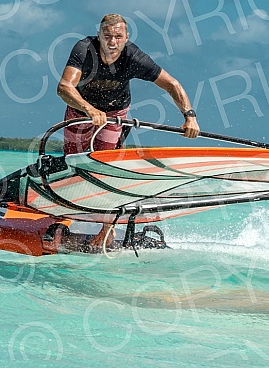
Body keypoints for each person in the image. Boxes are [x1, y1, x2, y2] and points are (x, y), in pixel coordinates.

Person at [56, 13, 200, 246]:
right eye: (108, 36)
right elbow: (64, 87)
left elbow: (171, 84)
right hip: (79, 110)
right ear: (99, 35)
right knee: (73, 165)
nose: (112, 42)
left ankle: (107, 230)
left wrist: (189, 116)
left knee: (105, 168)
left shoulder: (134, 57)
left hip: (114, 115)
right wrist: (89, 109)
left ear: (126, 38)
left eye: (118, 37)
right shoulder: (84, 49)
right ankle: (65, 217)